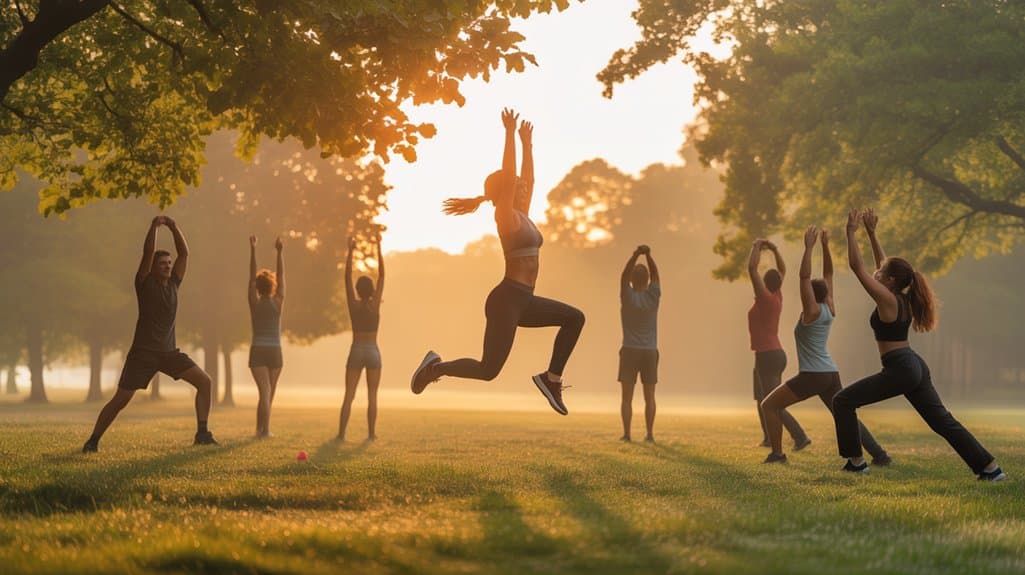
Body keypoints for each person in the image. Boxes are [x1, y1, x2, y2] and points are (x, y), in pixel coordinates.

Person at [410, 108, 585, 415]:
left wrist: (527, 143)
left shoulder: (524, 215)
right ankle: (436, 368)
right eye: (514, 183)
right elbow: (510, 177)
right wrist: (508, 135)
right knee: (488, 370)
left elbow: (529, 178)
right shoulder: (505, 217)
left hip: (524, 300)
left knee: (574, 318)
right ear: (505, 191)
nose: (522, 185)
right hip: (506, 300)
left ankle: (551, 379)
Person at [833, 208, 1005, 480]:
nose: (876, 274)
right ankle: (989, 468)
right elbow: (883, 266)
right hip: (913, 367)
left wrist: (850, 233)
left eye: (881, 274)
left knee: (842, 400)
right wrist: (872, 233)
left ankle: (856, 462)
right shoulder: (901, 297)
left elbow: (857, 268)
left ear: (889, 281)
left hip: (900, 369)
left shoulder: (889, 300)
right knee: (943, 421)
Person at [83, 216, 216, 452]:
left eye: (168, 262)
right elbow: (148, 251)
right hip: (143, 354)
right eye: (162, 263)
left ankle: (202, 433)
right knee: (121, 401)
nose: (167, 265)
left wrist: (174, 227)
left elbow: (185, 254)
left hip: (169, 353)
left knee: (205, 382)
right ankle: (92, 441)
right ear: (153, 268)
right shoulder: (143, 283)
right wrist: (154, 227)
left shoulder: (174, 284)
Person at [760, 226, 889, 465]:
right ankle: (880, 455)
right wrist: (826, 247)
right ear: (827, 293)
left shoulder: (811, 311)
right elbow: (828, 274)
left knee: (769, 405)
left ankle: (777, 454)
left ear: (810, 294)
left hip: (813, 375)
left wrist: (809, 247)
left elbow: (804, 277)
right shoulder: (829, 308)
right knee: (844, 415)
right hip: (830, 373)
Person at [748, 239, 810, 450]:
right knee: (761, 399)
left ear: (764, 284)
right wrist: (773, 248)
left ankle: (799, 436)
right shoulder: (777, 295)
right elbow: (782, 268)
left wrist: (757, 246)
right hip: (767, 354)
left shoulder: (765, 297)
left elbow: (751, 268)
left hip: (768, 355)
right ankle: (768, 438)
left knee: (772, 402)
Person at [339, 233, 385, 441]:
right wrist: (378, 246)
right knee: (372, 396)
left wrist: (350, 250)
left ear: (358, 290)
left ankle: (341, 434)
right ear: (372, 290)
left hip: (356, 349)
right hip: (373, 350)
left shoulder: (354, 305)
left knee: (349, 395)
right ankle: (371, 434)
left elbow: (347, 276)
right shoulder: (375, 305)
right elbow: (382, 275)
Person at [618, 245, 661, 442]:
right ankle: (649, 434)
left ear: (632, 281)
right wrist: (649, 256)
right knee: (649, 396)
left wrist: (635, 255)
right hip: (650, 351)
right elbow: (657, 276)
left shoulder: (628, 296)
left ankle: (627, 434)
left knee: (627, 397)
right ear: (647, 280)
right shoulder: (653, 297)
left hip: (630, 350)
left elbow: (623, 277)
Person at [248, 235, 284, 438]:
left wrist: (253, 249)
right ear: (272, 285)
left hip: (259, 350)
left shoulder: (254, 302)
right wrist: (280, 253)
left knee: (265, 393)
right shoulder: (279, 301)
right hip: (274, 351)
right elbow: (282, 276)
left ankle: (260, 430)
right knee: (268, 393)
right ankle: (264, 431)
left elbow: (250, 278)